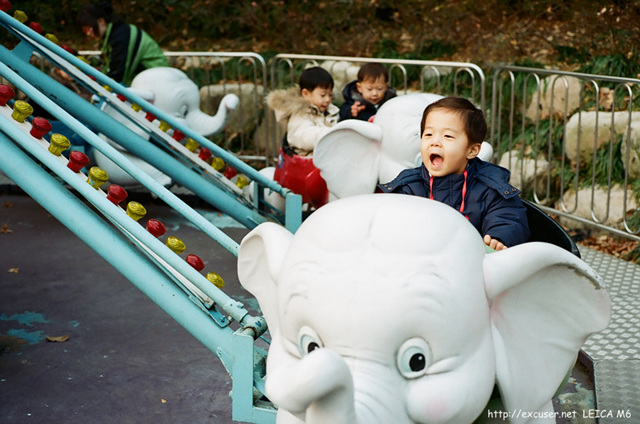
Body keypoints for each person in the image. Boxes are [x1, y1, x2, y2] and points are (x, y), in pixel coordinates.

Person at [378, 96, 530, 250]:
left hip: (472, 265)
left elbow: (508, 218)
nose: (435, 142)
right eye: (428, 134)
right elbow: (389, 222)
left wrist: (499, 237)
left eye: (447, 136)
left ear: (472, 150)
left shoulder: (491, 188)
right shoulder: (408, 186)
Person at [77, 2, 169, 86]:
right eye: (85, 30)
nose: (88, 33)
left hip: (160, 82)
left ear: (101, 21)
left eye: (90, 28)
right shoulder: (111, 37)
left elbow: (117, 75)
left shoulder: (121, 36)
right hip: (149, 82)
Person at [267, 66, 339, 157]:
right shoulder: (300, 114)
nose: (328, 99)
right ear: (305, 94)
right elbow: (303, 136)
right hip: (307, 161)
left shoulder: (330, 111)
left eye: (330, 95)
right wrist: (329, 134)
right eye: (323, 95)